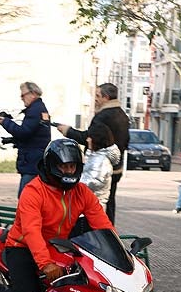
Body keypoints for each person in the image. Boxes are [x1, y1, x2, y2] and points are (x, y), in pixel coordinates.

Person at [0, 139, 114, 292]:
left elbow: (102, 224)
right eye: (63, 166)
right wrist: (45, 264)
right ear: (51, 166)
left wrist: (117, 253)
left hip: (56, 246)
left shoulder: (81, 193)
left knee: (74, 289)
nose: (69, 171)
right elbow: (32, 231)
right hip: (22, 247)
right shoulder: (33, 191)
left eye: (72, 166)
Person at [55, 83, 129, 222]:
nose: (95, 99)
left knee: (93, 204)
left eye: (97, 96)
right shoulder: (122, 115)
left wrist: (68, 131)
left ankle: (100, 234)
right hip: (115, 167)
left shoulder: (103, 116)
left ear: (106, 97)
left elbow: (90, 137)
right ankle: (108, 232)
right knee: (108, 201)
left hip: (100, 166)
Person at [0, 82, 50, 197]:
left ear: (33, 94)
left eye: (23, 95)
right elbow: (34, 136)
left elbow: (24, 132)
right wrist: (13, 140)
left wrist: (5, 122)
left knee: (25, 198)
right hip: (36, 161)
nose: (21, 98)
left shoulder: (35, 110)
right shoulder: (40, 109)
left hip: (32, 163)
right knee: (30, 198)